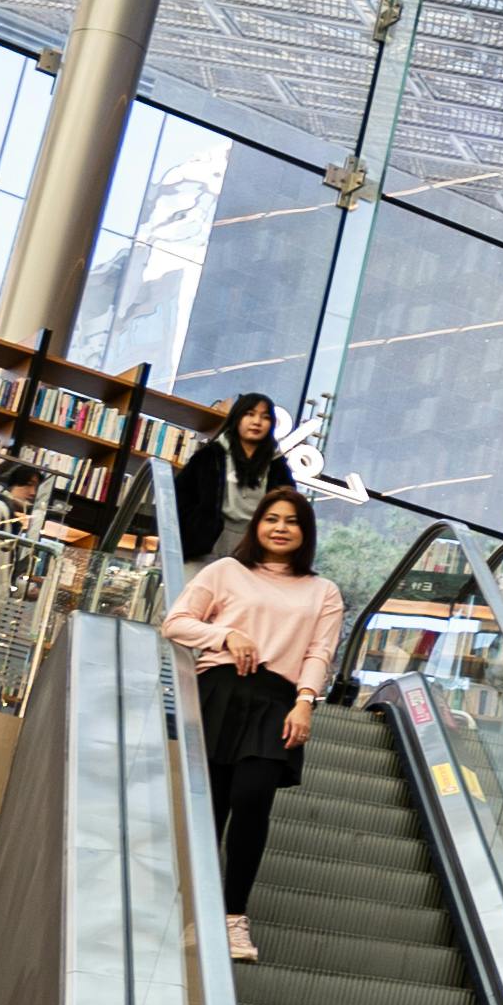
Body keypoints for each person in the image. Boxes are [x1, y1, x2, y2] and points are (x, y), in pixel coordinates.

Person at [162, 478, 346, 958]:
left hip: (277, 700)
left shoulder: (322, 591)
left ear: (305, 532)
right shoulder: (225, 571)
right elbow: (176, 622)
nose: (281, 528)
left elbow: (319, 652)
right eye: (271, 519)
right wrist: (226, 636)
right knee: (214, 808)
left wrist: (305, 701)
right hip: (220, 690)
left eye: (291, 521)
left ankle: (232, 919)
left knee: (252, 798)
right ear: (256, 525)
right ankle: (197, 916)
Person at [170, 386, 284, 574]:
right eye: (250, 414)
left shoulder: (278, 467)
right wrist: (193, 529)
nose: (257, 422)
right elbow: (179, 498)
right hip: (206, 545)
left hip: (252, 549)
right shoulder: (209, 456)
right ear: (237, 418)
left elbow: (288, 507)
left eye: (265, 417)